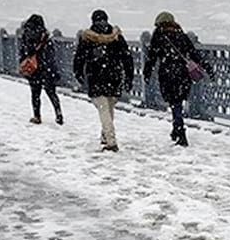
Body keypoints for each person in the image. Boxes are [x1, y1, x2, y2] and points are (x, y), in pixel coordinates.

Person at [142, 11, 213, 147]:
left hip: (167, 74)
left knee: (174, 102)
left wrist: (147, 73)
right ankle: (177, 129)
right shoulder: (181, 35)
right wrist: (208, 68)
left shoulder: (159, 36)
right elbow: (193, 53)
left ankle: (180, 131)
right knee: (178, 102)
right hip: (182, 74)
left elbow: (152, 57)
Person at [72, 9, 133, 151]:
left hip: (96, 76)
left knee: (103, 108)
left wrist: (78, 73)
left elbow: (80, 57)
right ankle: (105, 135)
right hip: (114, 76)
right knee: (109, 107)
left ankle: (111, 141)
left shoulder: (88, 37)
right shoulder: (116, 36)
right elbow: (127, 57)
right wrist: (129, 76)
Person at [18, 14, 63, 125]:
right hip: (46, 68)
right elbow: (51, 55)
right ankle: (58, 113)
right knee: (52, 93)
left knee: (35, 94)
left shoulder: (26, 35)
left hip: (34, 70)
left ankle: (37, 116)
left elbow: (24, 52)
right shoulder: (46, 36)